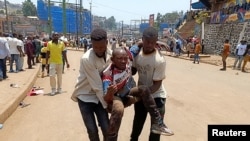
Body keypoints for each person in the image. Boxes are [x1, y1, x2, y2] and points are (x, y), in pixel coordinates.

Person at [102, 47, 173, 141]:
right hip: (117, 96)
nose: (123, 61)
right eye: (119, 59)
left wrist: (155, 44)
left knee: (144, 89)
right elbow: (106, 98)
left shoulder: (129, 60)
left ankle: (157, 122)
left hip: (128, 91)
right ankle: (111, 139)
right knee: (119, 109)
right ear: (113, 60)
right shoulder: (108, 74)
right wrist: (110, 93)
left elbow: (137, 46)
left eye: (125, 58)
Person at [130, 27, 173, 141]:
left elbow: (156, 85)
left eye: (153, 42)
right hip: (141, 95)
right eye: (147, 42)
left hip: (157, 98)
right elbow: (133, 71)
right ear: (142, 39)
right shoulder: (137, 53)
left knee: (155, 132)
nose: (149, 45)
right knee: (137, 126)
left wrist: (141, 94)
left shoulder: (159, 60)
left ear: (156, 42)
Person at [71, 28, 112, 141]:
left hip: (99, 98)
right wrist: (107, 105)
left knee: (106, 128)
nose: (99, 50)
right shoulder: (86, 59)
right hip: (85, 97)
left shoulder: (110, 54)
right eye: (95, 47)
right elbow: (97, 86)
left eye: (101, 47)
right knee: (92, 131)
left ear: (107, 42)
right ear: (91, 44)